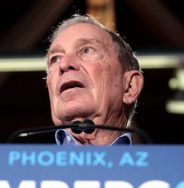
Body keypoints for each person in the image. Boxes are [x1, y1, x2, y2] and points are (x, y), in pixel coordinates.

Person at [46, 14, 144, 145]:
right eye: (55, 58)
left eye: (86, 50)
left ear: (130, 87)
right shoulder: (16, 163)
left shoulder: (165, 165)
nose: (64, 64)